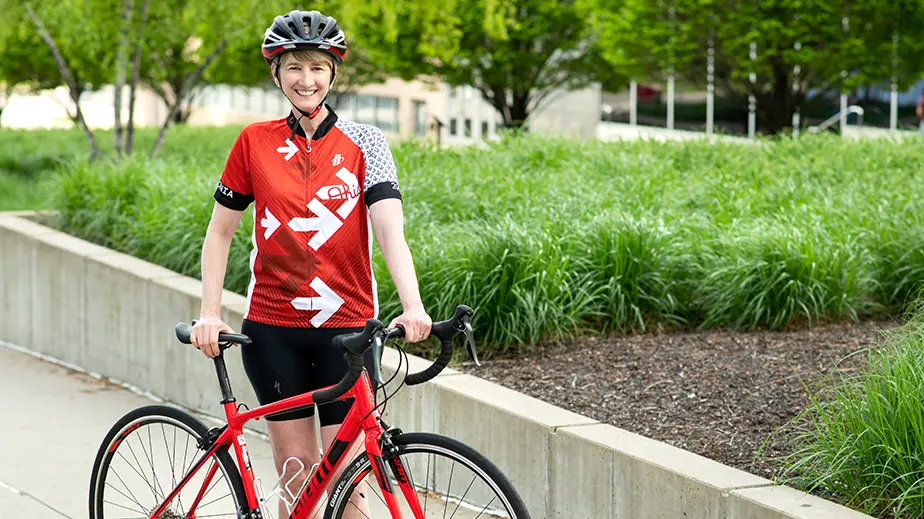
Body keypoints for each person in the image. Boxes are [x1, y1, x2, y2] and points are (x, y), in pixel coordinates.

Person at [189, 9, 432, 518]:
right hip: (273, 329)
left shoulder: (367, 143)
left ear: (333, 73)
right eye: (294, 67)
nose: (307, 79)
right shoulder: (253, 142)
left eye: (318, 67)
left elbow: (390, 230)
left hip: (348, 331)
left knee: (351, 480)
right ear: (276, 73)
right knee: (298, 473)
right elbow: (220, 232)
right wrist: (209, 312)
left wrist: (413, 307)